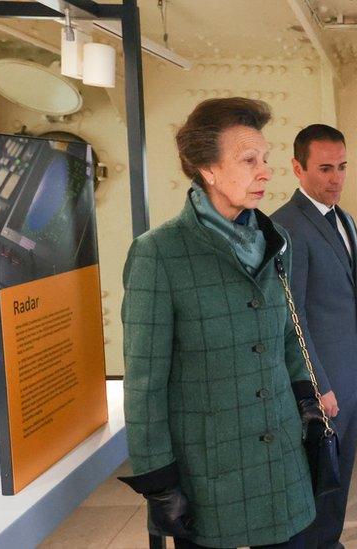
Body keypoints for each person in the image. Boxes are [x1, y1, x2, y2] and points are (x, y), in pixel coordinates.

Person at [118, 98, 319, 549]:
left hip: (282, 452)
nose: (265, 171)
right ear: (207, 169)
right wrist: (159, 482)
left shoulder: (273, 238)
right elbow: (145, 381)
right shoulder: (160, 253)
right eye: (249, 160)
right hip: (211, 467)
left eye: (264, 159)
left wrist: (305, 395)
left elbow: (288, 332)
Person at [271, 124, 357, 549]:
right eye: (325, 168)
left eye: (342, 167)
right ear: (298, 168)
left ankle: (330, 542)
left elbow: (356, 293)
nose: (336, 178)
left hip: (352, 372)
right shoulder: (285, 226)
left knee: (342, 470)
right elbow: (290, 315)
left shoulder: (346, 220)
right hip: (323, 382)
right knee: (316, 476)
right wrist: (318, 385)